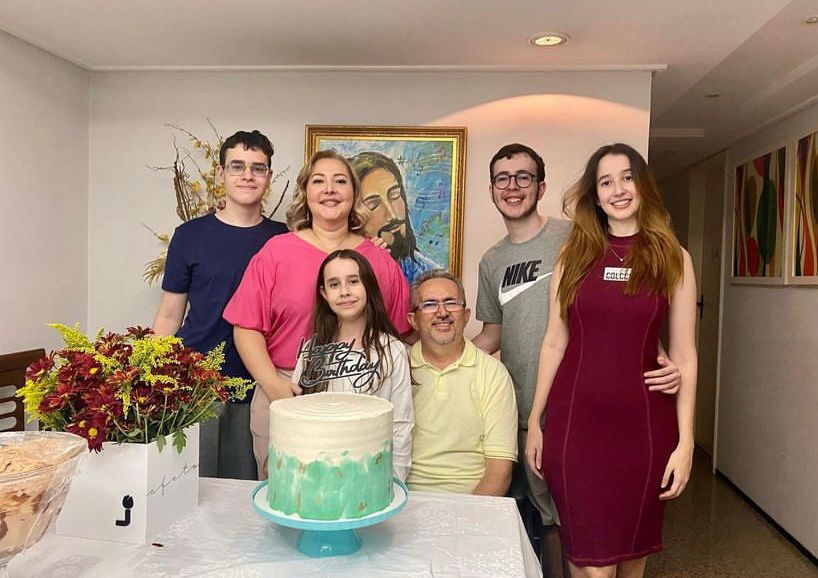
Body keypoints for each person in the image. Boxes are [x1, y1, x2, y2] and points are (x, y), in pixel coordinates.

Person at [473, 143, 682, 578]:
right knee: (555, 525)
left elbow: (631, 297)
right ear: (491, 189)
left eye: (524, 177)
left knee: (603, 541)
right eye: (502, 179)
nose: (513, 187)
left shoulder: (579, 236)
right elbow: (493, 334)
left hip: (606, 411)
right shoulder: (492, 261)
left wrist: (657, 349)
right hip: (532, 408)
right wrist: (431, 355)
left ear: (541, 186)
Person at [525, 143, 697, 578]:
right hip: (575, 430)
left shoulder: (674, 258)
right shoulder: (573, 257)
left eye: (627, 178)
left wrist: (686, 443)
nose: (618, 190)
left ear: (643, 186)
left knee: (632, 558)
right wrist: (535, 421)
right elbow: (554, 342)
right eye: (606, 182)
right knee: (591, 565)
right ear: (596, 196)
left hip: (644, 431)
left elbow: (685, 355)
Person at [223, 150, 411, 479]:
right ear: (305, 192)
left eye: (340, 181)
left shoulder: (380, 260)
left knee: (355, 493)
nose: (330, 189)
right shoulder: (276, 252)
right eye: (319, 181)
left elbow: (398, 336)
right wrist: (274, 386)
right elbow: (246, 326)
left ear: (354, 193)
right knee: (288, 493)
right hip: (285, 390)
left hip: (362, 396)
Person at [151, 129, 287, 480]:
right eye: (237, 166)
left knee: (249, 488)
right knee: (191, 486)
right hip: (198, 384)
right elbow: (169, 315)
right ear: (221, 173)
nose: (247, 175)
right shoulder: (189, 236)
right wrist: (149, 375)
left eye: (257, 168)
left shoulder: (284, 239)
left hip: (261, 384)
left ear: (268, 176)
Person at [291, 249, 413, 481]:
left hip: (371, 475)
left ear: (368, 285)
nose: (345, 291)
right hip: (318, 474)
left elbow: (401, 424)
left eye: (353, 281)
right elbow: (299, 421)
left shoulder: (392, 351)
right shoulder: (310, 351)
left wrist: (394, 481)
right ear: (324, 294)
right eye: (334, 284)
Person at [406, 269, 517, 496]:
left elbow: (499, 471)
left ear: (466, 316)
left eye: (451, 303)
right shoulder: (397, 370)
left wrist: (467, 515)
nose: (442, 312)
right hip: (405, 498)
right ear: (413, 320)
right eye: (429, 304)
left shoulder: (493, 374)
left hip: (472, 499)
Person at [348, 151, 439, 281]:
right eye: (373, 204)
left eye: (395, 195)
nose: (392, 214)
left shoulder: (427, 275)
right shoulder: (339, 273)